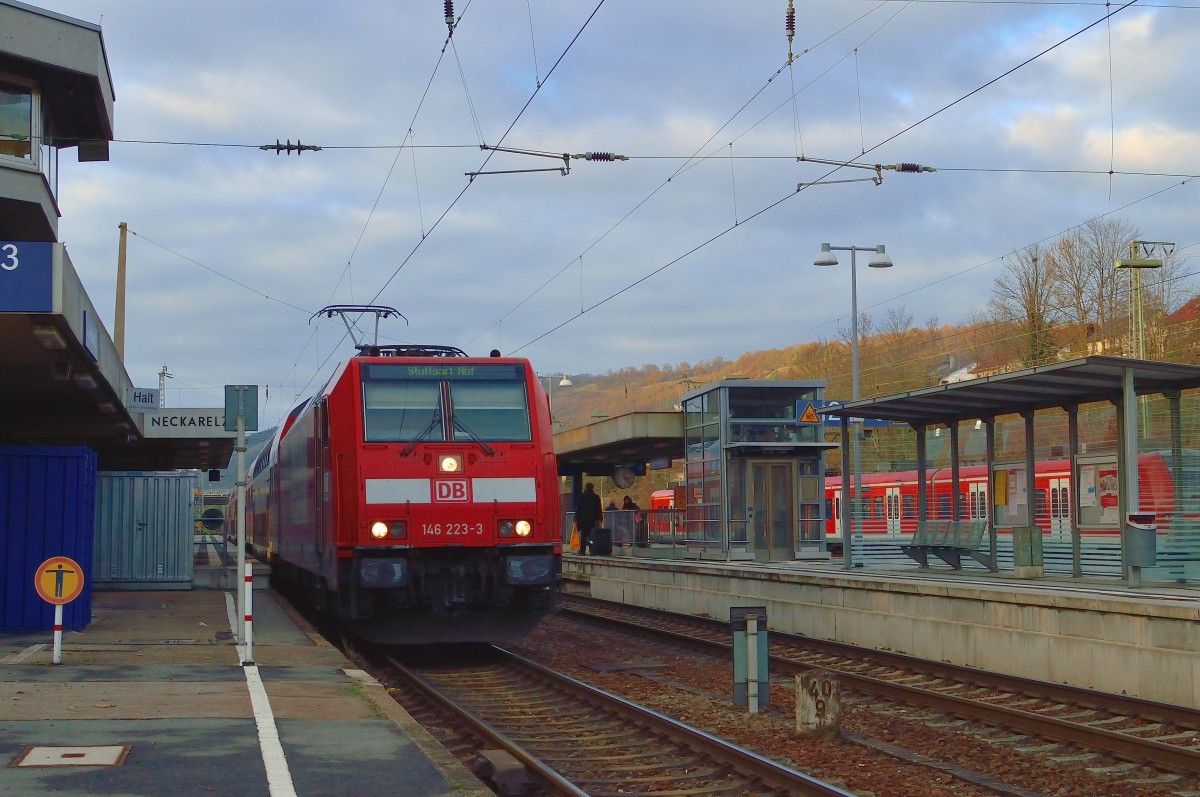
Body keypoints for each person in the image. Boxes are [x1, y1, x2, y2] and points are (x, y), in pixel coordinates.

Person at [575, 483, 603, 555]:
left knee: (583, 536)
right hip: (592, 520)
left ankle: (582, 550)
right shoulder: (596, 497)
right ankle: (592, 549)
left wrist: (576, 518)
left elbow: (578, 508)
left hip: (583, 520)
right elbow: (598, 508)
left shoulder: (582, 497)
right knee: (591, 536)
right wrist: (600, 518)